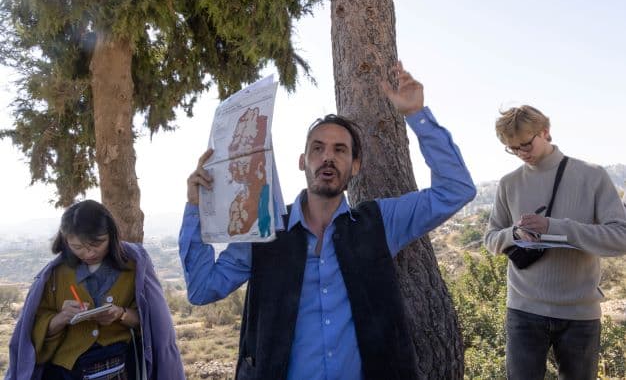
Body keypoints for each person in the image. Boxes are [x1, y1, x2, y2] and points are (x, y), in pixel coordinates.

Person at [179, 61, 476, 380]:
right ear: (302, 162)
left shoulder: (380, 223)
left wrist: (417, 114)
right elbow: (202, 289)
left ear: (356, 165)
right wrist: (196, 208)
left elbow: (456, 190)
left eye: (340, 150)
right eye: (317, 149)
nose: (328, 157)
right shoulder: (264, 231)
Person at [483, 105, 626, 380]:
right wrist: (514, 233)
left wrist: (557, 228)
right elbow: (490, 239)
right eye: (513, 149)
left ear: (545, 132)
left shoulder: (592, 176)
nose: (522, 153)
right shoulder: (508, 184)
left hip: (579, 313)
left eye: (526, 144)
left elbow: (620, 238)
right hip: (523, 311)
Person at [6, 200, 185, 380]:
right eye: (77, 247)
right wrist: (61, 318)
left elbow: (151, 322)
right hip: (66, 372)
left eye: (97, 244)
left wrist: (121, 314)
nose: (89, 253)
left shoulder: (133, 267)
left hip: (120, 367)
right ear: (65, 240)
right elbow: (32, 333)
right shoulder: (55, 275)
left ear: (111, 235)